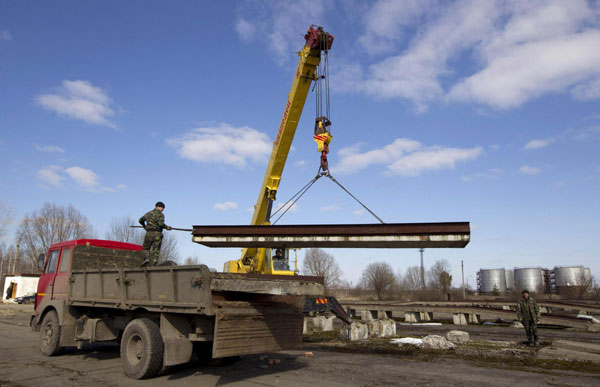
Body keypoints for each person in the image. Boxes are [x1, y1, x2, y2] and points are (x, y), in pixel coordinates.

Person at [139, 201, 172, 266]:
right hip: (157, 234)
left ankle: (146, 258)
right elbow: (161, 224)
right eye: (163, 208)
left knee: (145, 249)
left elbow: (140, 220)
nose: (163, 210)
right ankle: (153, 263)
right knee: (156, 250)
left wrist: (144, 226)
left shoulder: (148, 213)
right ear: (160, 207)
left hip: (148, 233)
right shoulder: (160, 214)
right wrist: (167, 227)